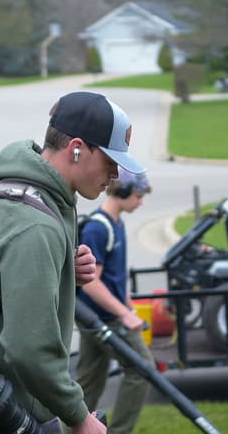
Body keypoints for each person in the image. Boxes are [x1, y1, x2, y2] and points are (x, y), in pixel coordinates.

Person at [0, 90, 146, 434]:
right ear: (77, 148)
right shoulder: (35, 225)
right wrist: (80, 417)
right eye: (110, 160)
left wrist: (66, 271)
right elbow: (29, 350)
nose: (116, 174)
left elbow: (3, 277)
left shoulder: (23, 189)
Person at [76, 168, 154, 434]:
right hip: (104, 319)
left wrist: (130, 306)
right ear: (121, 191)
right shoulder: (99, 228)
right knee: (142, 369)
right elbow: (91, 283)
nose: (141, 201)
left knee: (89, 382)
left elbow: (115, 277)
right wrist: (124, 314)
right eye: (138, 195)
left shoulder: (116, 223)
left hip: (100, 318)